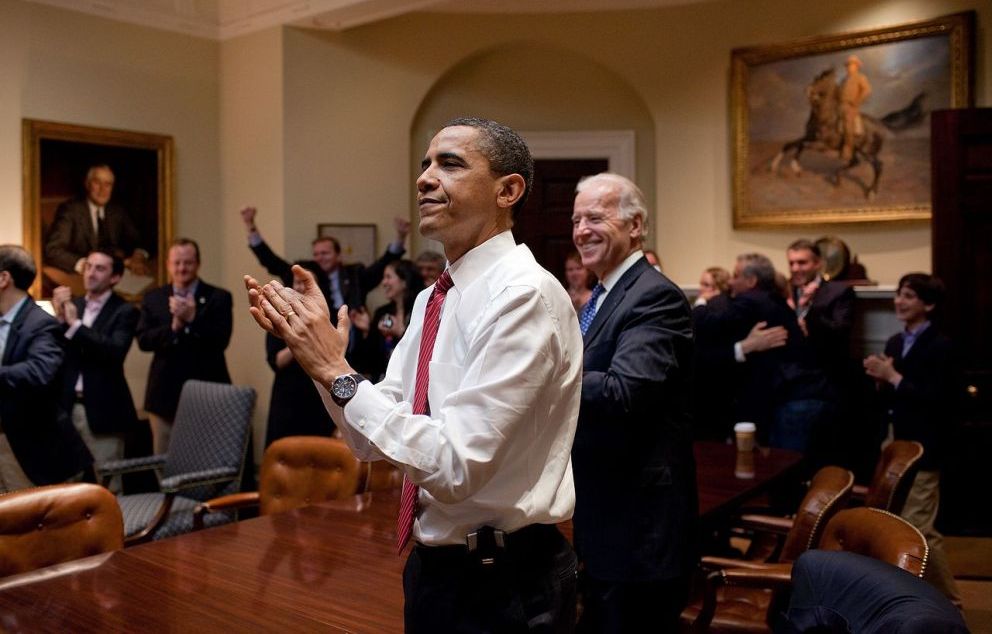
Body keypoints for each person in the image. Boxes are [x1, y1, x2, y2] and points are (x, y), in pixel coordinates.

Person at [245, 117, 582, 632]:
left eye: (450, 164)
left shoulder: (524, 296)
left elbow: (455, 465)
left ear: (507, 190)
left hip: (505, 581)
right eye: (425, 164)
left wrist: (337, 371)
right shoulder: (432, 299)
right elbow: (368, 441)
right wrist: (320, 362)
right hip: (435, 568)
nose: (425, 177)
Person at [570, 173, 697, 632]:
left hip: (638, 527)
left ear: (635, 226)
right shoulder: (604, 295)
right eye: (576, 218)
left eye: (595, 217)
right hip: (606, 515)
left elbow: (626, 390)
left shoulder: (654, 296)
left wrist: (546, 379)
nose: (581, 229)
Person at [863, 273, 962, 606]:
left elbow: (937, 400)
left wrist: (892, 376)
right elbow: (891, 399)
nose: (899, 302)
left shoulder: (942, 346)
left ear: (928, 304)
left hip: (924, 448)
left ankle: (950, 602)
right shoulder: (894, 342)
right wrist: (880, 380)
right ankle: (900, 598)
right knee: (890, 523)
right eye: (898, 294)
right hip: (893, 444)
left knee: (921, 527)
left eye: (908, 296)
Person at [0, 245, 91, 492]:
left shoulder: (41, 324)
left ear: (4, 278)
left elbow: (39, 372)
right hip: (6, 442)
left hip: (31, 449)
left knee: (35, 526)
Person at [52, 250, 139, 492]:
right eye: (88, 266)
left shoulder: (125, 311)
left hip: (105, 409)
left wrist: (75, 325)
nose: (90, 273)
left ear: (115, 277)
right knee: (65, 484)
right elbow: (58, 354)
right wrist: (60, 322)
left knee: (108, 485)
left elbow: (114, 351)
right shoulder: (74, 305)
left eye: (100, 268)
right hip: (68, 407)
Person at [137, 238, 232, 454]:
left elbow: (221, 340)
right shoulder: (153, 298)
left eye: (188, 262)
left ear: (198, 263)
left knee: (208, 457)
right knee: (165, 460)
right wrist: (174, 327)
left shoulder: (219, 297)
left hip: (208, 392)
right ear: (168, 265)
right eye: (177, 262)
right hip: (163, 396)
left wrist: (192, 319)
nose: (182, 268)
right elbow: (144, 340)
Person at [240, 206, 410, 324]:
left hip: (351, 337)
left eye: (325, 253)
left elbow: (381, 266)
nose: (320, 258)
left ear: (338, 255)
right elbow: (271, 261)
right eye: (316, 254)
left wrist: (401, 237)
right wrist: (250, 225)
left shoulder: (355, 274)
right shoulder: (305, 273)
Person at [263, 260, 337, 448]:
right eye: (297, 282)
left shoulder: (331, 316)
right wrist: (298, 337)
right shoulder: (278, 317)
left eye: (307, 282)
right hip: (288, 396)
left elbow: (338, 355)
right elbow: (276, 361)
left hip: (320, 395)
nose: (301, 287)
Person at [44, 164, 149, 276]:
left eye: (107, 184)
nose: (102, 189)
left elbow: (139, 239)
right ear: (87, 184)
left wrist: (138, 256)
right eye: (97, 182)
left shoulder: (117, 211)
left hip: (115, 274)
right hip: (81, 278)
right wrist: (86, 265)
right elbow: (52, 250)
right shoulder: (70, 210)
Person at [351, 259, 424, 382]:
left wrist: (400, 332)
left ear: (404, 281)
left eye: (388, 277)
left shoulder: (422, 309)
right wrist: (367, 330)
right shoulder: (382, 312)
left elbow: (423, 349)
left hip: (414, 379)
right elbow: (370, 361)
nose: (384, 282)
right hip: (385, 379)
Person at [840, 54, 871, 161]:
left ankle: (848, 149)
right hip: (841, 105)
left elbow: (867, 90)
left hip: (851, 107)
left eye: (851, 65)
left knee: (848, 125)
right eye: (848, 65)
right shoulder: (844, 80)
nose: (849, 67)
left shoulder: (860, 77)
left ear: (856, 66)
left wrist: (856, 101)